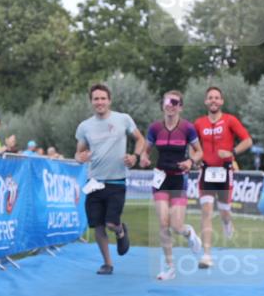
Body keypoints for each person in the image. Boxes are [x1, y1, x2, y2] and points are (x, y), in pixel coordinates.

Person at [75, 83, 146, 275]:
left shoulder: (123, 119)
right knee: (97, 226)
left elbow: (140, 139)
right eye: (96, 99)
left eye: (102, 98)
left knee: (110, 224)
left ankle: (121, 230)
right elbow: (79, 152)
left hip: (117, 181)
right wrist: (79, 157)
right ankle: (107, 263)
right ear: (91, 102)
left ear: (109, 100)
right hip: (94, 183)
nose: (99, 102)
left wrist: (135, 157)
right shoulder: (85, 127)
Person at [140, 90, 204, 281]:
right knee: (163, 223)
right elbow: (146, 151)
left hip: (178, 179)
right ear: (163, 104)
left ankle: (189, 232)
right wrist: (143, 158)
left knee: (176, 225)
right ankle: (170, 268)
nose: (170, 105)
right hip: (160, 179)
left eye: (174, 102)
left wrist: (191, 162)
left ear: (180, 106)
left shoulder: (187, 128)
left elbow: (199, 152)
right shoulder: (154, 128)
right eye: (167, 101)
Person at [193, 86, 253, 269]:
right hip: (206, 171)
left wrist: (232, 153)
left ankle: (228, 223)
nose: (213, 100)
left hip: (225, 171)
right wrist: (195, 159)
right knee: (207, 210)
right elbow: (192, 145)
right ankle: (207, 255)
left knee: (224, 211)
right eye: (210, 97)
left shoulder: (230, 120)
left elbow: (248, 141)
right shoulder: (199, 123)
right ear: (205, 101)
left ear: (222, 101)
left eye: (217, 98)